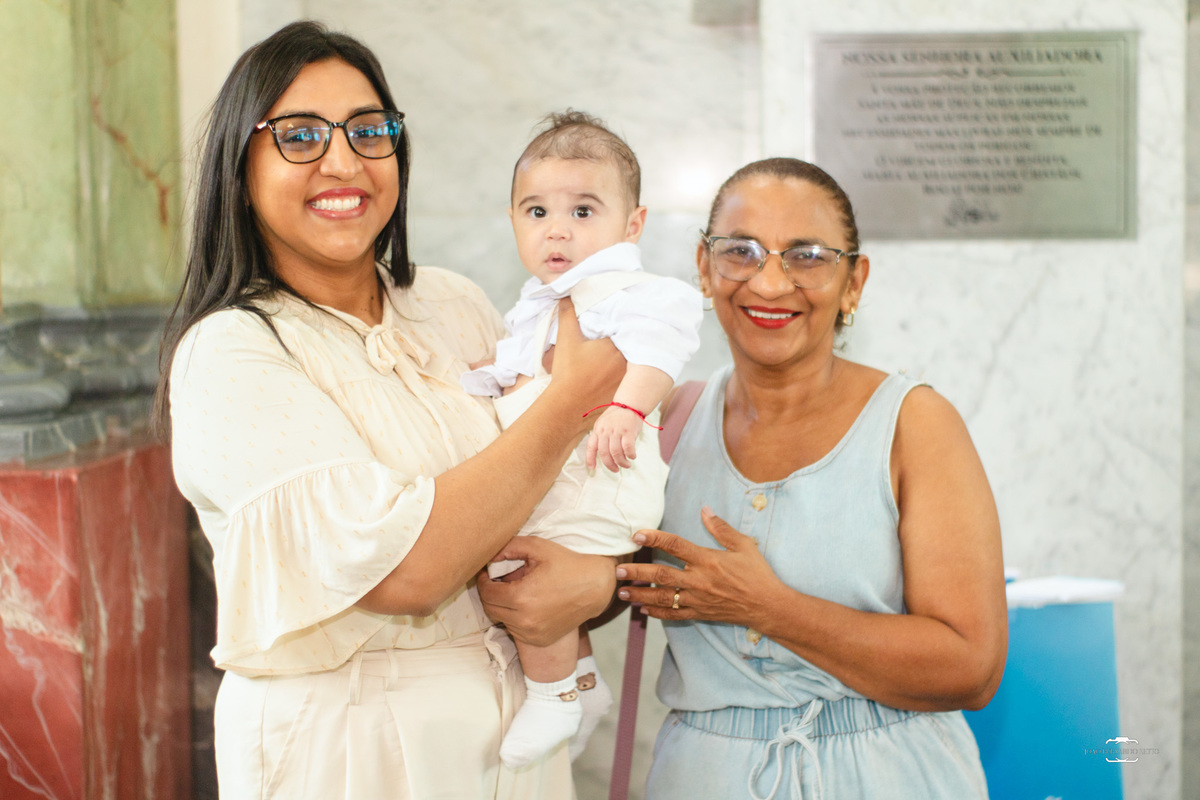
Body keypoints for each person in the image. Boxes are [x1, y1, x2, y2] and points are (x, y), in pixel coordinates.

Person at [157, 21, 624, 800]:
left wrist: (596, 584)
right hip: (346, 746)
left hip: (512, 730)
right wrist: (575, 397)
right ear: (241, 166)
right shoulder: (230, 351)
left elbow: (558, 502)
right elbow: (406, 571)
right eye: (299, 135)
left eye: (369, 131)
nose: (343, 160)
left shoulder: (453, 303)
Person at [615, 157, 1008, 799]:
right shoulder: (668, 420)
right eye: (740, 251)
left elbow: (972, 667)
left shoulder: (914, 425)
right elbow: (604, 587)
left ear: (854, 282)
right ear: (704, 266)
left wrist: (767, 608)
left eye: (807, 256)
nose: (770, 284)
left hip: (890, 775)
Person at [461, 111, 703, 768]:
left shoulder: (630, 290)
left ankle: (553, 693)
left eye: (583, 210)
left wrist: (629, 405)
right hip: (572, 474)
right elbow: (523, 366)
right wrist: (485, 381)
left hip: (603, 471)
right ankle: (586, 686)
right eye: (536, 211)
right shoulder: (542, 300)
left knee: (524, 568)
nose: (557, 229)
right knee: (534, 557)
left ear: (633, 225)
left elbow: (666, 341)